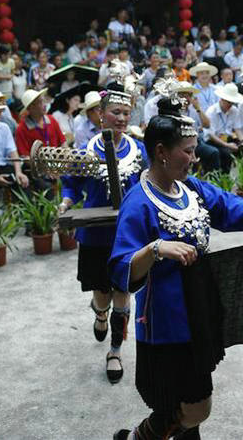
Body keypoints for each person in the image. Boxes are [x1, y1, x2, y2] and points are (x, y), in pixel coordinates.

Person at [109, 109, 243, 440]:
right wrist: (157, 248)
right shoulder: (139, 203)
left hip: (198, 308)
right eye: (187, 151)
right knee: (195, 406)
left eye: (194, 149)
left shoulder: (188, 188)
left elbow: (226, 205)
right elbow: (122, 268)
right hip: (166, 321)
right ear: (161, 152)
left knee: (188, 408)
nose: (194, 158)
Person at [60, 88, 147, 385]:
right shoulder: (85, 151)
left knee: (123, 294)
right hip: (96, 234)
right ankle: (99, 314)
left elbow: (151, 183)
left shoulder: (140, 150)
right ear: (100, 116)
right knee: (103, 294)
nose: (122, 119)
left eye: (126, 114)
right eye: (116, 113)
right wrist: (66, 203)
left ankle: (115, 351)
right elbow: (71, 184)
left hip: (129, 234)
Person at [203, 83, 243, 171]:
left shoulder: (234, 110)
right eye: (228, 102)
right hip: (213, 140)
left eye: (232, 102)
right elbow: (211, 135)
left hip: (227, 138)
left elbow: (237, 129)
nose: (230, 105)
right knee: (225, 153)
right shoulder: (211, 111)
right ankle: (223, 178)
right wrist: (227, 145)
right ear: (222, 99)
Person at [15, 88, 66, 157]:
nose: (44, 105)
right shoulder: (21, 129)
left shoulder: (52, 120)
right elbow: (25, 155)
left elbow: (63, 142)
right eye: (40, 102)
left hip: (56, 162)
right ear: (31, 107)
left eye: (43, 101)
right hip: (35, 166)